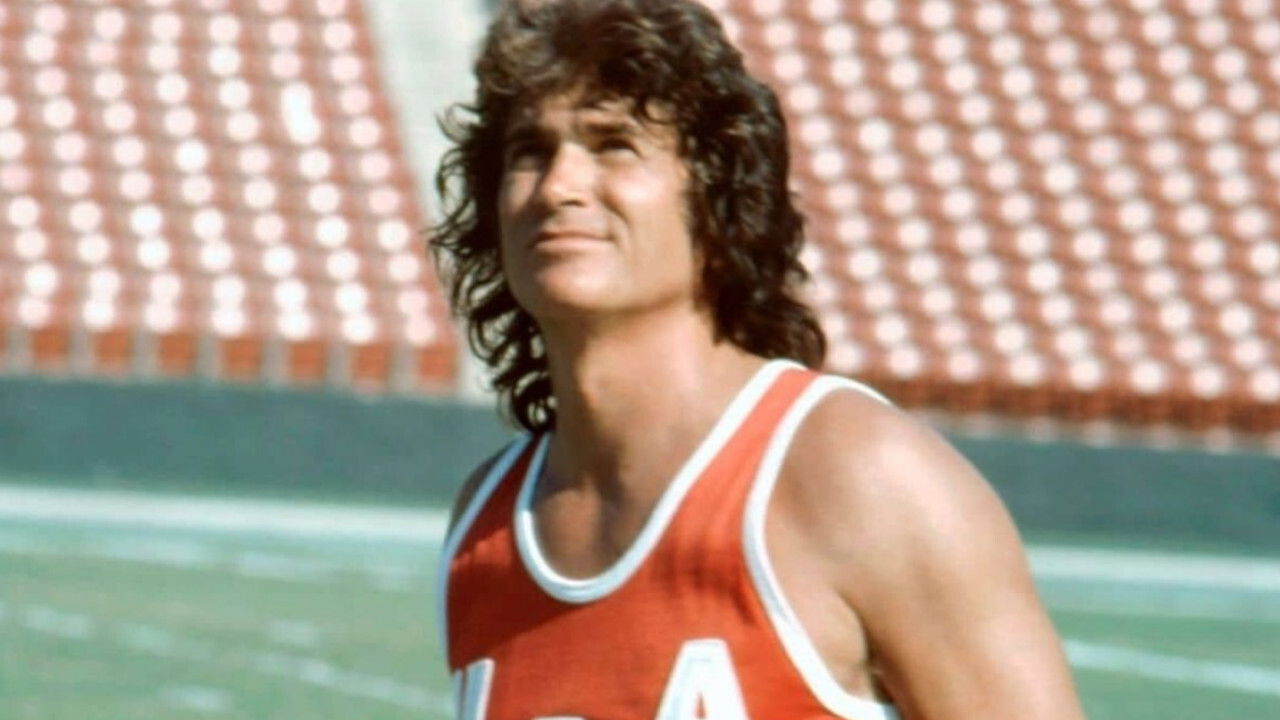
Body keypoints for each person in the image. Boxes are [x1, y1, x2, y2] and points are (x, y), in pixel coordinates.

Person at [430, 1, 1085, 718]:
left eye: (614, 143)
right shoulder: (486, 523)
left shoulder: (855, 474)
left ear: (718, 197)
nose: (559, 186)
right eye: (529, 151)